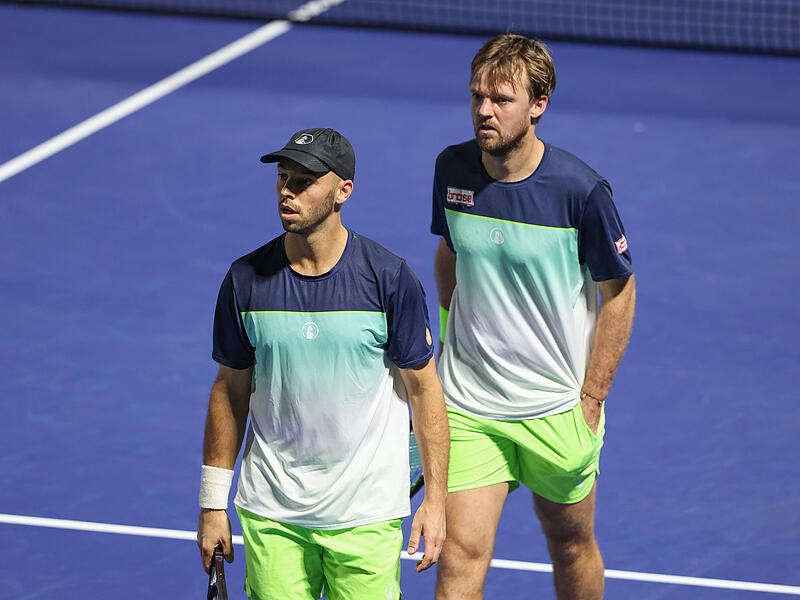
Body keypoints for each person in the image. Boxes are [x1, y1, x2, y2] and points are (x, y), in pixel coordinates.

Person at [196, 128, 449, 600]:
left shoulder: (389, 279)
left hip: (366, 515)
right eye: (283, 177)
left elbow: (425, 390)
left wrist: (436, 499)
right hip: (274, 512)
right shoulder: (244, 281)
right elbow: (229, 390)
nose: (287, 190)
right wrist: (213, 503)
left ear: (342, 192)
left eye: (305, 180)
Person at [431, 35, 636, 600]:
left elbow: (620, 292)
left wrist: (592, 396)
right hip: (471, 406)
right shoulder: (453, 168)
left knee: (570, 545)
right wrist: (450, 340)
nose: (483, 111)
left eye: (500, 99)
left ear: (538, 105)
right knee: (459, 557)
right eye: (477, 97)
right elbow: (450, 252)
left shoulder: (580, 191)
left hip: (554, 407)